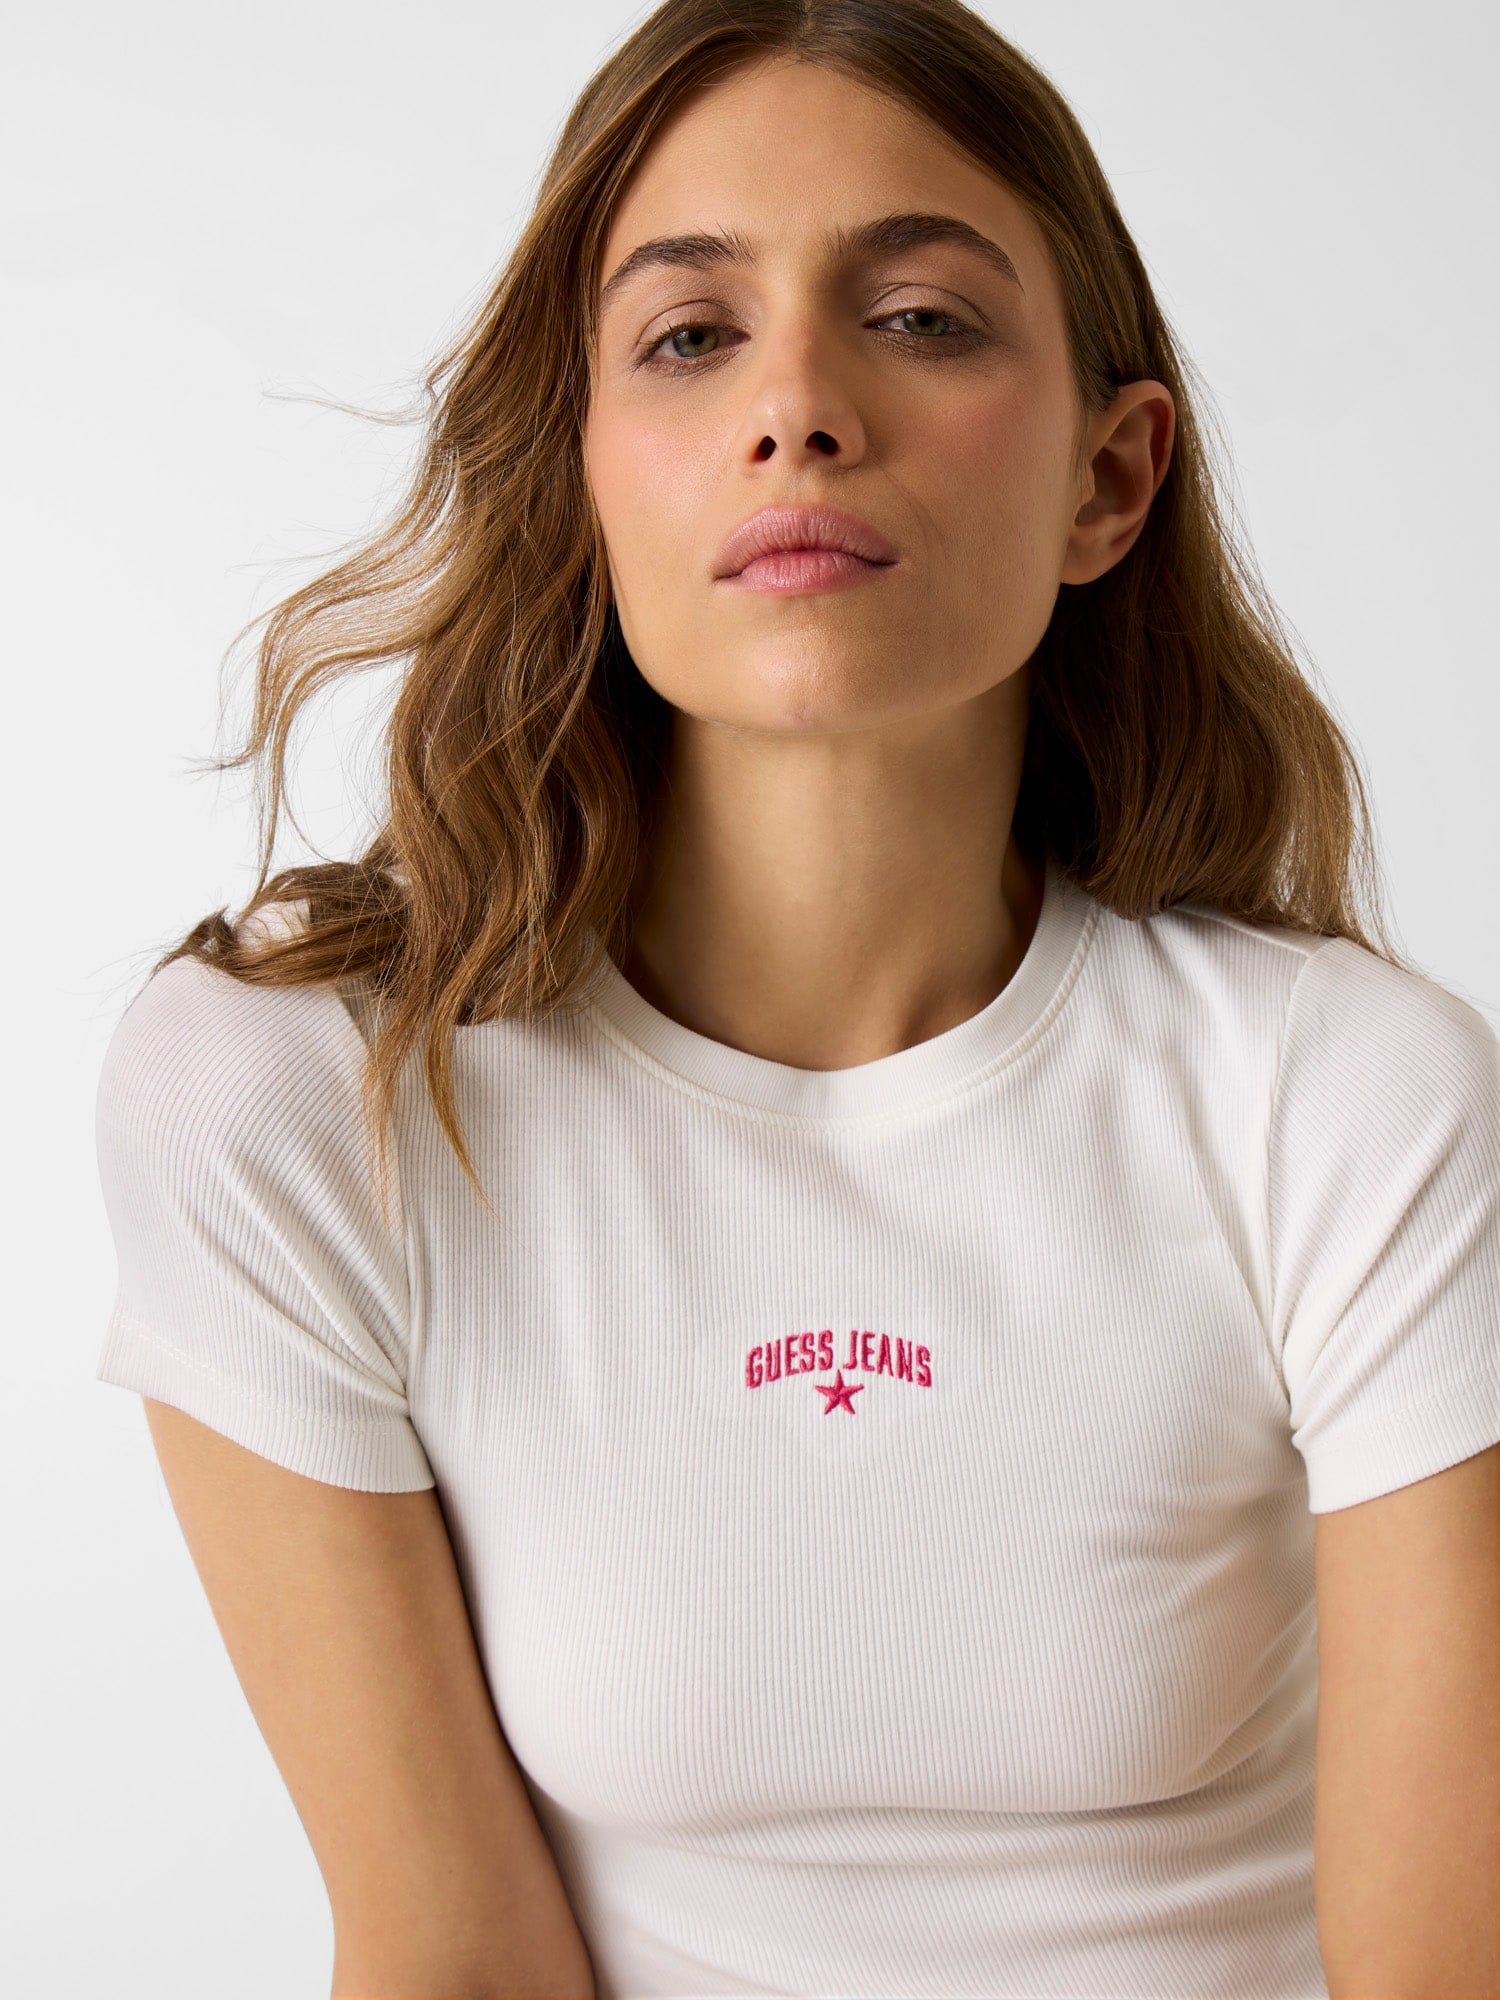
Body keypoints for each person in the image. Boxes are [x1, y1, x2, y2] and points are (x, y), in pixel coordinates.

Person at [93, 2, 1499, 1997]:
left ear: (1110, 480)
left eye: (921, 317)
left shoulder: (1350, 1098)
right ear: (583, 471)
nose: (801, 410)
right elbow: (454, 1958)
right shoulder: (303, 1094)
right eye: (690, 334)